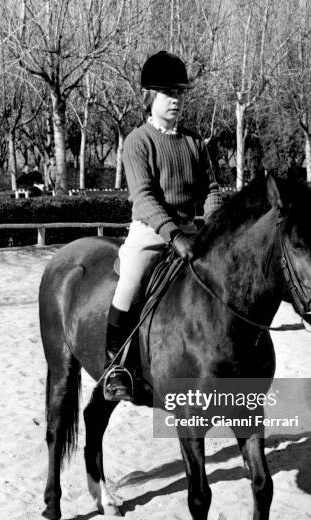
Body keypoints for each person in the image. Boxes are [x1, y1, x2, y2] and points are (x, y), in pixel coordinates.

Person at [103, 50, 222, 402]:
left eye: (179, 93)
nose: (176, 100)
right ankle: (117, 367)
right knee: (130, 281)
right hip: (150, 232)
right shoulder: (138, 141)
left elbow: (212, 189)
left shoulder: (195, 142)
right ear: (149, 98)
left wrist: (212, 226)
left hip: (190, 231)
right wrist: (173, 235)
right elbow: (143, 198)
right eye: (168, 93)